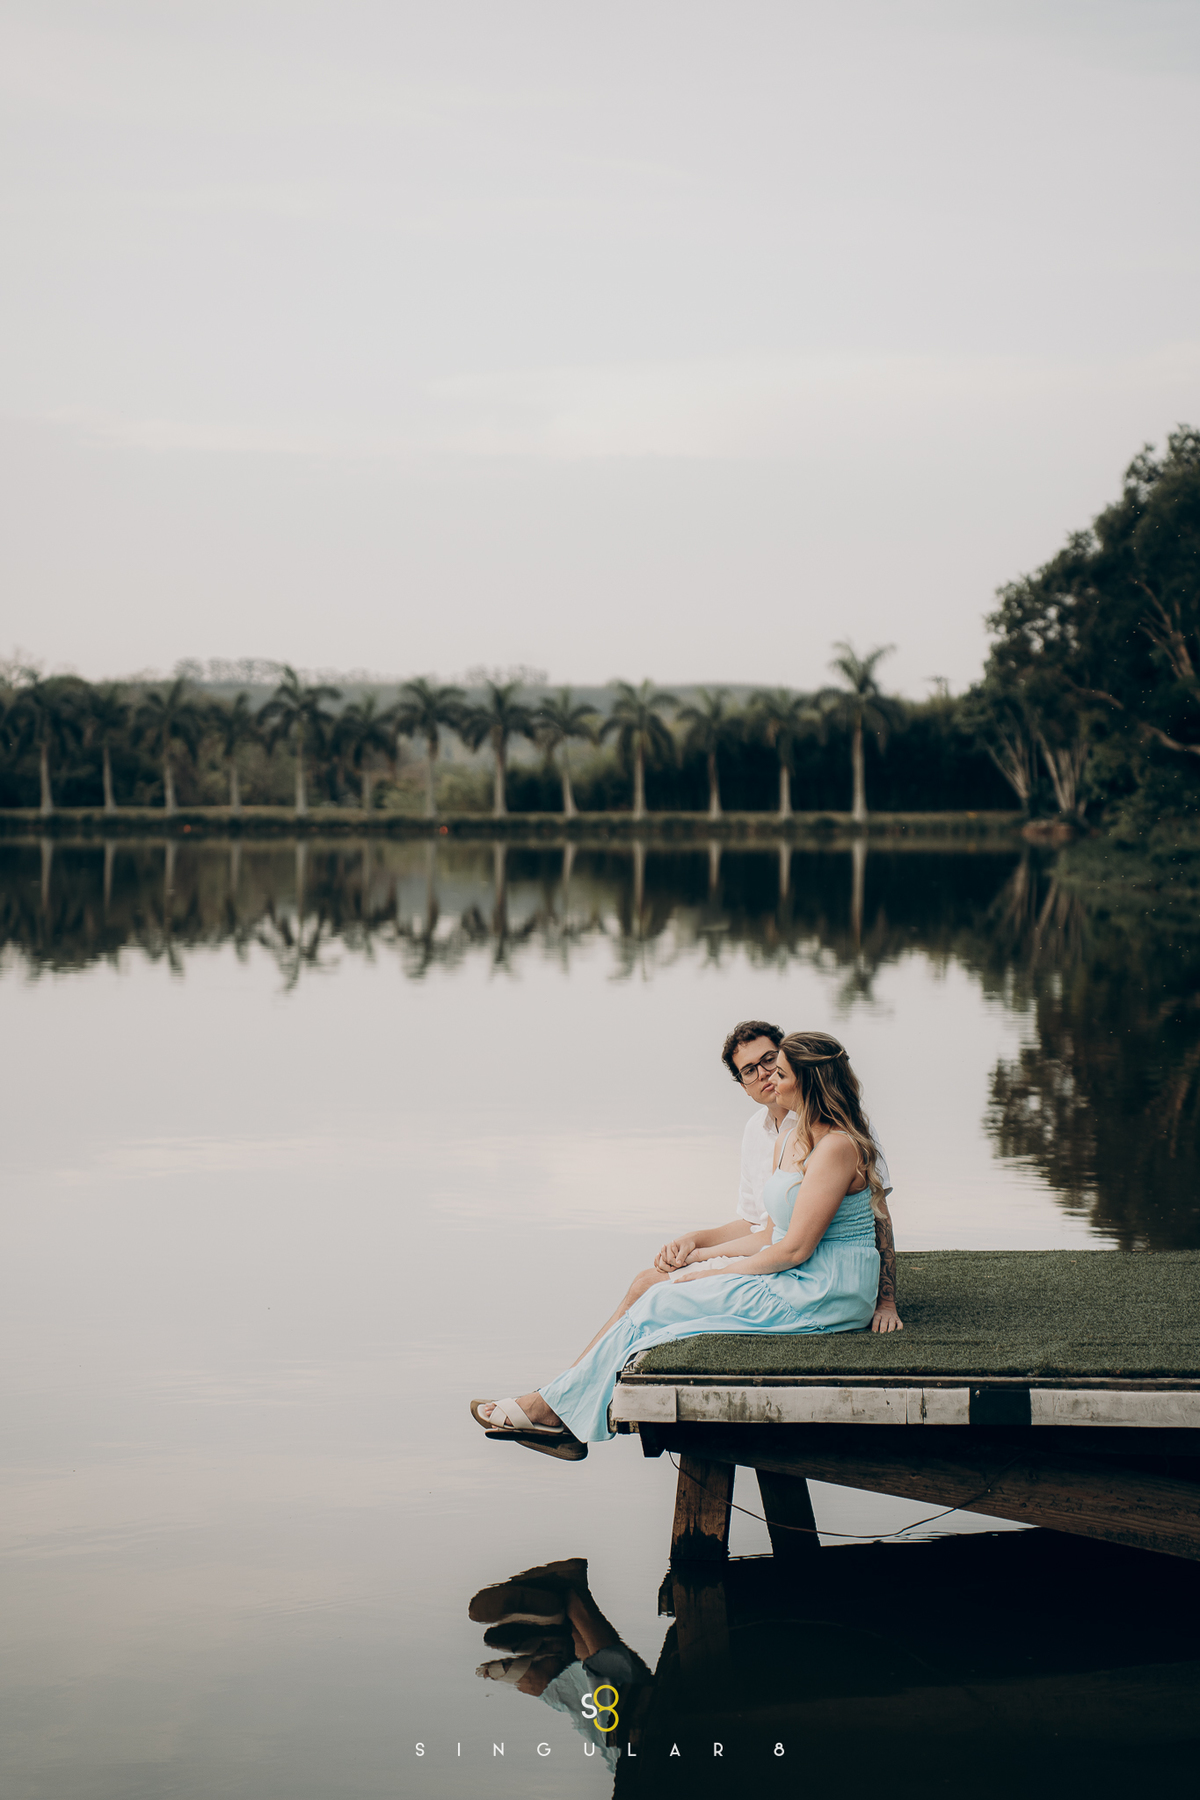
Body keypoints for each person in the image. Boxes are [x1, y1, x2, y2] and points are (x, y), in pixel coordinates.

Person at [471, 1031, 893, 1458]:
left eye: (779, 1071)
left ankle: (553, 1411)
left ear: (807, 1081)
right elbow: (769, 1233)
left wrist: (717, 1274)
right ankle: (561, 1412)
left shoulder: (838, 1145)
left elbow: (795, 1249)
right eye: (759, 1071)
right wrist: (699, 1253)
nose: (771, 1080)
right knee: (659, 1300)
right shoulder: (789, 1137)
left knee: (659, 1303)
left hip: (823, 1289)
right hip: (793, 1272)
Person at [570, 1021, 900, 1368]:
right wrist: (695, 1244)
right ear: (743, 1085)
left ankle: (562, 1395)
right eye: (749, 1071)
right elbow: (756, 1223)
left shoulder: (841, 1131)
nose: (764, 1074)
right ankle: (567, 1386)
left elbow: (876, 1213)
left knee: (652, 1290)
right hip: (774, 1254)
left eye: (771, 1060)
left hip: (806, 1271)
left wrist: (887, 1301)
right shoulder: (760, 1133)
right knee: (645, 1283)